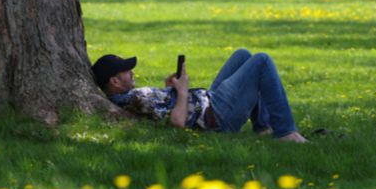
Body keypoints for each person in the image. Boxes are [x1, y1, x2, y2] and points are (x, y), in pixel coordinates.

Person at [92, 49, 308, 142]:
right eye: (127, 71)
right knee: (261, 60)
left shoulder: (129, 97)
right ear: (115, 81)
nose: (132, 72)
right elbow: (177, 122)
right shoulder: (134, 99)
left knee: (243, 54)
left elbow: (164, 110)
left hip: (209, 100)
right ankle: (285, 132)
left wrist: (171, 90)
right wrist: (183, 91)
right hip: (216, 114)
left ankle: (262, 126)